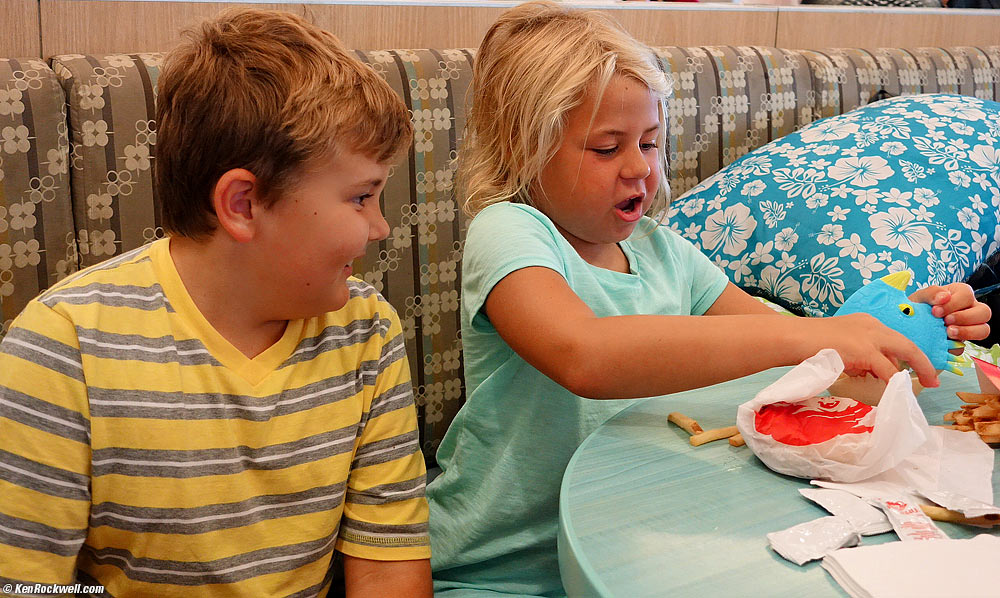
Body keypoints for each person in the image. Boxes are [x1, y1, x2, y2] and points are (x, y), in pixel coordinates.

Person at [425, 2, 991, 597]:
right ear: (524, 150)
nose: (638, 169)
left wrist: (908, 338)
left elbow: (819, 376)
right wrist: (809, 333)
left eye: (648, 142)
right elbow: (584, 356)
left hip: (636, 556)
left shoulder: (665, 252)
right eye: (605, 147)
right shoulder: (510, 231)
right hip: (497, 574)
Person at [0, 8, 431, 597]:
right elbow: (27, 585)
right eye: (361, 198)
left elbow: (388, 561)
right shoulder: (60, 349)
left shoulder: (367, 331)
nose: (380, 228)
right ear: (243, 204)